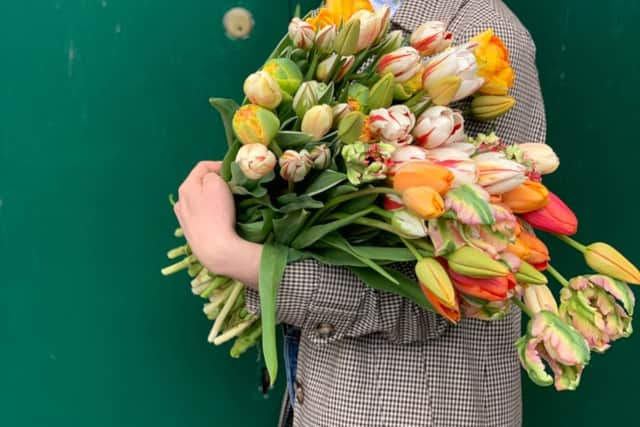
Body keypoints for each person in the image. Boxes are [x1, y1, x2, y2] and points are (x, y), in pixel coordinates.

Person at [173, 0, 547, 425]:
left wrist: (235, 256)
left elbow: (463, 292)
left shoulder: (485, 35)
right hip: (326, 391)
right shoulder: (346, 10)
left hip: (413, 408)